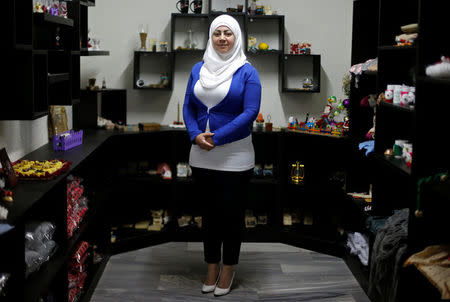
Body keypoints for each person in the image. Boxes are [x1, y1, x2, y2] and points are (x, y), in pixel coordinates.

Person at [182, 14, 261, 297]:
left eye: (228, 33)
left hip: (235, 156)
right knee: (210, 215)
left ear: (236, 37)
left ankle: (228, 268)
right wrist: (194, 134)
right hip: (201, 154)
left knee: (231, 216)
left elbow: (250, 112)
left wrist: (218, 137)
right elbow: (188, 106)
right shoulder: (197, 68)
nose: (223, 38)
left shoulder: (248, 72)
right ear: (211, 38)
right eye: (218, 33)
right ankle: (211, 267)